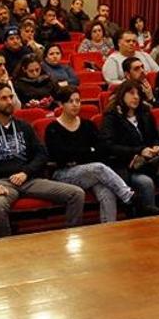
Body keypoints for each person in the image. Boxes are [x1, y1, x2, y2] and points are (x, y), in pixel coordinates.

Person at [0, 82, 85, 237]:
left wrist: (26, 172)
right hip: (4, 182)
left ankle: (73, 237)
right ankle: (7, 247)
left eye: (11, 97)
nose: (9, 102)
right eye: (4, 98)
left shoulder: (23, 126)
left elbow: (42, 154)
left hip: (28, 179)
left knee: (76, 194)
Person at [45, 87, 136, 223]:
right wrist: (87, 151)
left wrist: (79, 154)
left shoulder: (88, 125)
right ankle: (128, 196)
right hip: (64, 174)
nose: (75, 104)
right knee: (98, 167)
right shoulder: (53, 128)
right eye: (70, 101)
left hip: (89, 172)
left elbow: (100, 150)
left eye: (78, 101)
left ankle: (109, 230)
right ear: (61, 104)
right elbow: (59, 156)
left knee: (106, 191)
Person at [99, 79, 159, 213]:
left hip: (151, 163)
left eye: (138, 94)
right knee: (145, 183)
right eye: (131, 93)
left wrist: (157, 147)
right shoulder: (111, 117)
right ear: (122, 95)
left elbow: (155, 137)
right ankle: (146, 221)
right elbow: (108, 146)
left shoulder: (145, 113)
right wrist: (139, 151)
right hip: (127, 165)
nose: (136, 97)